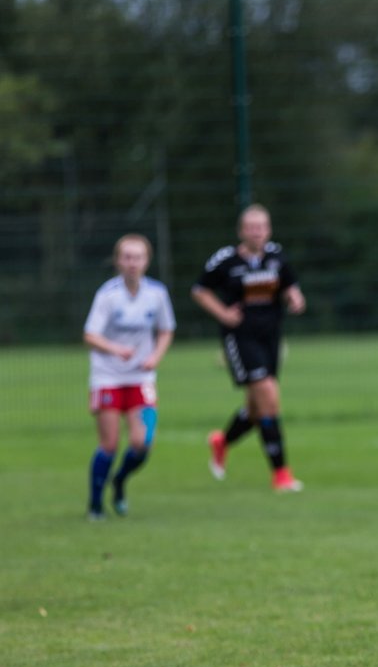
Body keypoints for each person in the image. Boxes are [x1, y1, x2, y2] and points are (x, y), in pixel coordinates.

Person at [192, 204, 306, 492]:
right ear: (241, 231)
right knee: (269, 396)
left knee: (257, 410)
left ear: (268, 230)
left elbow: (291, 286)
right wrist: (223, 313)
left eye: (262, 227)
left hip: (270, 336)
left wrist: (295, 299)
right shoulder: (226, 260)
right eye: (251, 227)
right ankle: (281, 474)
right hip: (240, 338)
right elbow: (200, 290)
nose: (257, 233)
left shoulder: (276, 256)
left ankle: (222, 441)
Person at [82, 234, 176, 519]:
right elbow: (90, 335)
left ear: (147, 261)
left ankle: (120, 481)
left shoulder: (156, 294)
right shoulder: (107, 295)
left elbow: (165, 330)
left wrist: (155, 357)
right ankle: (96, 504)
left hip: (141, 379)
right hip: (107, 378)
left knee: (142, 441)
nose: (132, 263)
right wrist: (115, 349)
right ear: (118, 261)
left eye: (138, 257)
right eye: (127, 257)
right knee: (109, 444)